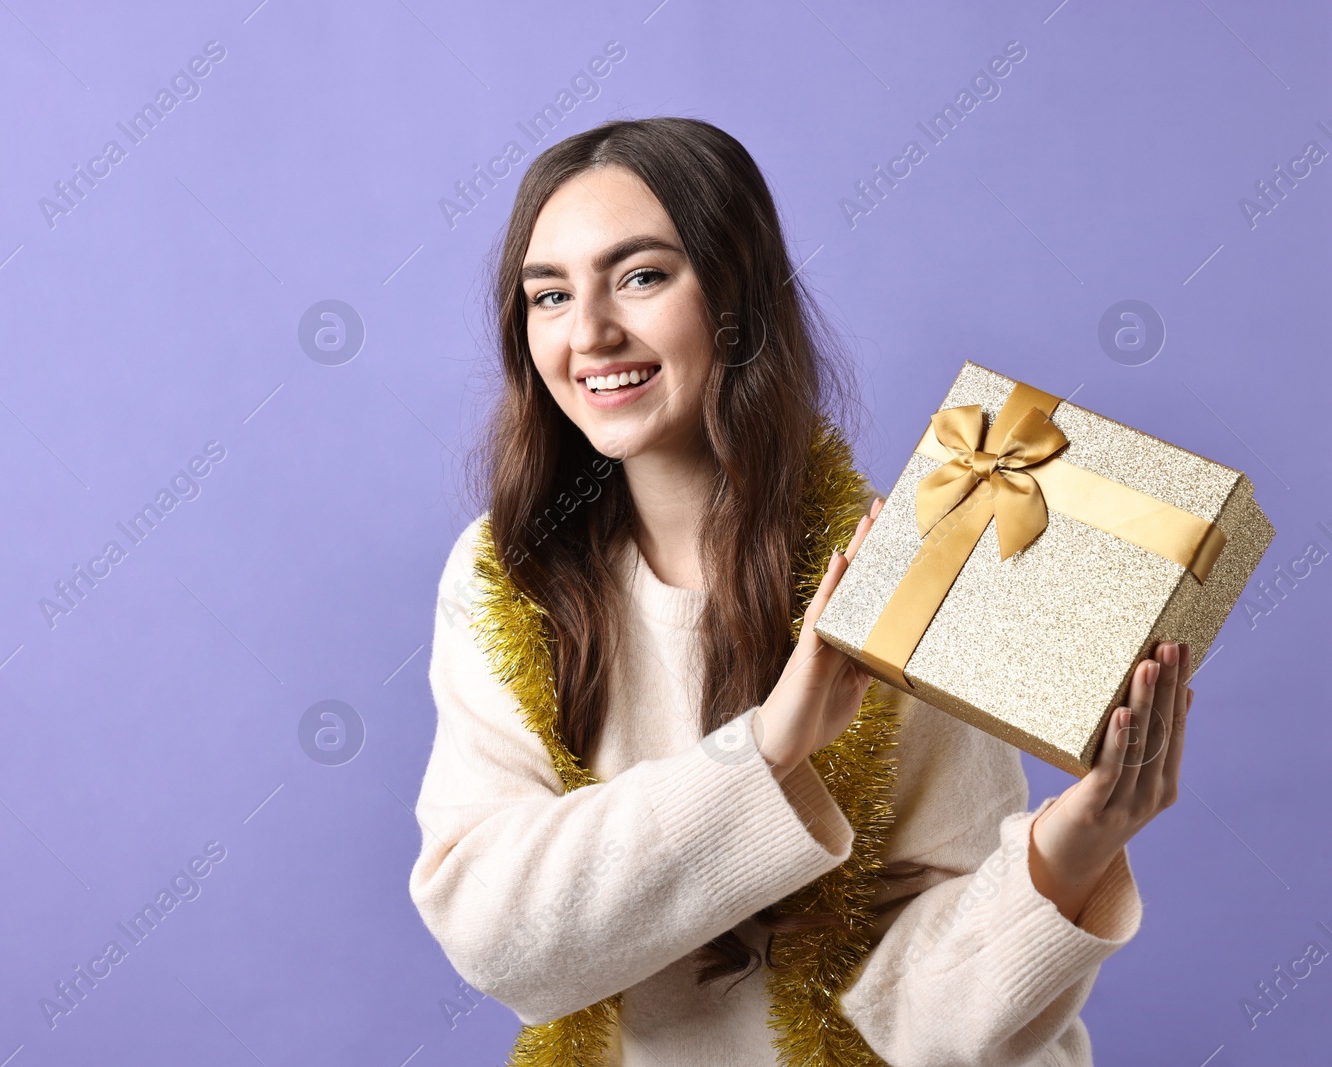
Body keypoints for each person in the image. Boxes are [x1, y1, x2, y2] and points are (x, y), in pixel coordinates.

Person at [407, 116, 1191, 1067]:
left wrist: (1063, 855)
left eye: (643, 275)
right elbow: (498, 938)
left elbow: (925, 1029)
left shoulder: (906, 566)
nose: (590, 332)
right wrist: (775, 743)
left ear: (734, 302)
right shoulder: (504, 578)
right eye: (548, 295)